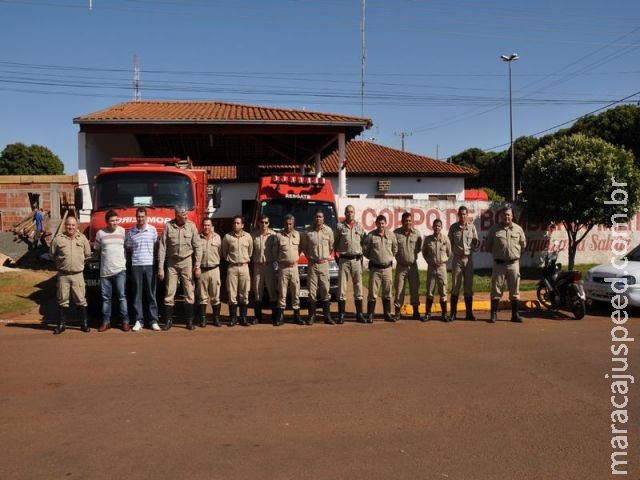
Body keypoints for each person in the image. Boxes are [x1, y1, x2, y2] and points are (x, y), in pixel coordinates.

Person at [158, 206, 202, 330]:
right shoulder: (168, 226)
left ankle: (189, 321)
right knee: (169, 291)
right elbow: (162, 248)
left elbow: (198, 246)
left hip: (187, 261)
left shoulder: (191, 226)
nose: (187, 217)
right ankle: (168, 321)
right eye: (184, 215)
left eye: (187, 214)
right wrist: (160, 267)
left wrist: (197, 265)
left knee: (189, 291)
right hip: (172, 262)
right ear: (177, 216)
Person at [49, 215, 91, 334]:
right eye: (68, 225)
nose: (70, 227)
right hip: (63, 275)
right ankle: (61, 325)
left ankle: (84, 324)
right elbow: (52, 254)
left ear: (76, 226)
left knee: (81, 300)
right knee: (62, 300)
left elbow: (87, 254)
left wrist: (78, 264)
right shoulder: (58, 239)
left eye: (73, 225)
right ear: (65, 225)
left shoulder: (82, 238)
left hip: (78, 274)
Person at [485, 207, 527, 323]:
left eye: (508, 215)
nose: (506, 217)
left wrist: (514, 254)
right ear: (501, 216)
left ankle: (515, 315)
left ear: (512, 216)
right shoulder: (494, 229)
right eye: (504, 215)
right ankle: (493, 315)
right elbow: (488, 246)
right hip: (499, 264)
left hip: (514, 264)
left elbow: (523, 245)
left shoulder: (518, 229)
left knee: (514, 290)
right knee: (496, 290)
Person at [126, 207, 161, 332]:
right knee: (137, 295)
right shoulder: (131, 232)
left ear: (146, 217)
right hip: (136, 266)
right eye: (138, 216)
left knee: (151, 294)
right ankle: (138, 321)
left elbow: (156, 247)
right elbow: (129, 248)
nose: (140, 219)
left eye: (142, 216)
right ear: (136, 217)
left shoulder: (152, 230)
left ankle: (153, 321)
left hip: (150, 265)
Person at [95, 209, 130, 332]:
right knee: (106, 298)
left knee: (122, 296)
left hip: (120, 269)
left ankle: (125, 322)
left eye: (116, 220)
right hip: (105, 271)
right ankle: (106, 322)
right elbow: (97, 250)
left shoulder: (122, 231)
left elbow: (126, 247)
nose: (114, 223)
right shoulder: (100, 233)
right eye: (112, 221)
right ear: (106, 222)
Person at [301, 209, 335, 325]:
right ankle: (311, 317)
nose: (318, 219)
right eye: (316, 217)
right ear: (314, 218)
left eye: (320, 217)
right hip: (312, 265)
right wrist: (311, 258)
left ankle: (327, 316)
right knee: (311, 291)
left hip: (324, 264)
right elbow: (304, 248)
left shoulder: (328, 231)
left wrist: (323, 257)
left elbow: (331, 246)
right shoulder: (308, 232)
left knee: (325, 290)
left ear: (323, 218)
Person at [334, 204, 367, 323]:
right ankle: (341, 315)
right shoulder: (339, 227)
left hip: (357, 260)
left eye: (352, 212)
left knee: (358, 287)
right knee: (342, 288)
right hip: (344, 260)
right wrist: (337, 257)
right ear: (345, 213)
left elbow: (365, 241)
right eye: (348, 212)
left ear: (354, 213)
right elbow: (335, 242)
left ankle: (359, 314)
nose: (350, 214)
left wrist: (362, 253)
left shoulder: (360, 226)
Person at [362, 214, 398, 323]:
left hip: (387, 268)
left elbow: (395, 249)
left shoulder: (391, 235)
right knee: (373, 293)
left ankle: (387, 314)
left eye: (383, 223)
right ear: (376, 223)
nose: (381, 225)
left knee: (387, 292)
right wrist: (374, 258)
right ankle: (370, 315)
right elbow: (365, 250)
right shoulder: (371, 236)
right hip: (375, 269)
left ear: (385, 224)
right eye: (379, 223)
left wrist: (388, 257)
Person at [448, 206, 479, 320]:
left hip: (468, 259)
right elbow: (449, 242)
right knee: (455, 286)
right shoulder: (453, 228)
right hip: (457, 259)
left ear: (467, 215)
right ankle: (453, 314)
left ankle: (469, 314)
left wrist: (476, 242)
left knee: (468, 287)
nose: (463, 216)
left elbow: (476, 242)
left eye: (465, 214)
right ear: (458, 215)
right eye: (461, 214)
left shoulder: (472, 227)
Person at [221, 215, 253, 327]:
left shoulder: (248, 237)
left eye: (238, 223)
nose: (235, 225)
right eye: (234, 223)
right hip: (232, 267)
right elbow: (224, 253)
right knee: (232, 294)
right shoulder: (227, 237)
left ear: (243, 225)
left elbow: (250, 252)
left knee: (244, 293)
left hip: (244, 267)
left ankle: (243, 318)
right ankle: (233, 318)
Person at [271, 214, 302, 326]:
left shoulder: (298, 235)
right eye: (287, 224)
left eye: (290, 224)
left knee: (296, 293)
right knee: (282, 293)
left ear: (293, 224)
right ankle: (280, 317)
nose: (288, 226)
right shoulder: (278, 236)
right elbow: (275, 252)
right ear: (284, 224)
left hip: (294, 268)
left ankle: (297, 317)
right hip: (283, 268)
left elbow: (300, 249)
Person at [393, 212, 423, 321]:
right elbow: (393, 248)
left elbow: (419, 248)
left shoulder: (416, 233)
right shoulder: (396, 234)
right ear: (402, 221)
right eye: (406, 221)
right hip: (401, 266)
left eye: (410, 220)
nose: (408, 222)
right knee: (399, 288)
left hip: (413, 266)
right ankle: (397, 312)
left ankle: (416, 311)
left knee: (415, 288)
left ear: (412, 221)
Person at [421, 218, 452, 322]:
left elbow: (449, 252)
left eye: (439, 226)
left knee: (443, 291)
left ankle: (444, 314)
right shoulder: (428, 239)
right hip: (431, 268)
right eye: (435, 226)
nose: (437, 227)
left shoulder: (445, 239)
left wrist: (444, 261)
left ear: (441, 227)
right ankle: (428, 314)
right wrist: (429, 261)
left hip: (442, 268)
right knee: (430, 291)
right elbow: (424, 252)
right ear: (432, 227)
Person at [251, 215, 277, 325]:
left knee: (272, 291)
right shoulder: (253, 235)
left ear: (269, 223)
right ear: (258, 223)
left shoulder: (273, 235)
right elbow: (250, 251)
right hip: (257, 266)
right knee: (257, 291)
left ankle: (275, 317)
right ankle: (258, 317)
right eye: (262, 222)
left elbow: (277, 250)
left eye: (266, 222)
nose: (264, 224)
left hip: (269, 265)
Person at [197, 217, 222, 327]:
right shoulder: (197, 238)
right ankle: (203, 319)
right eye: (204, 225)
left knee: (215, 296)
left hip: (214, 269)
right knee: (202, 297)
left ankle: (216, 319)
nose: (206, 227)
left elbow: (221, 253)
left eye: (208, 225)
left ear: (212, 226)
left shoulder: (218, 238)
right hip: (202, 270)